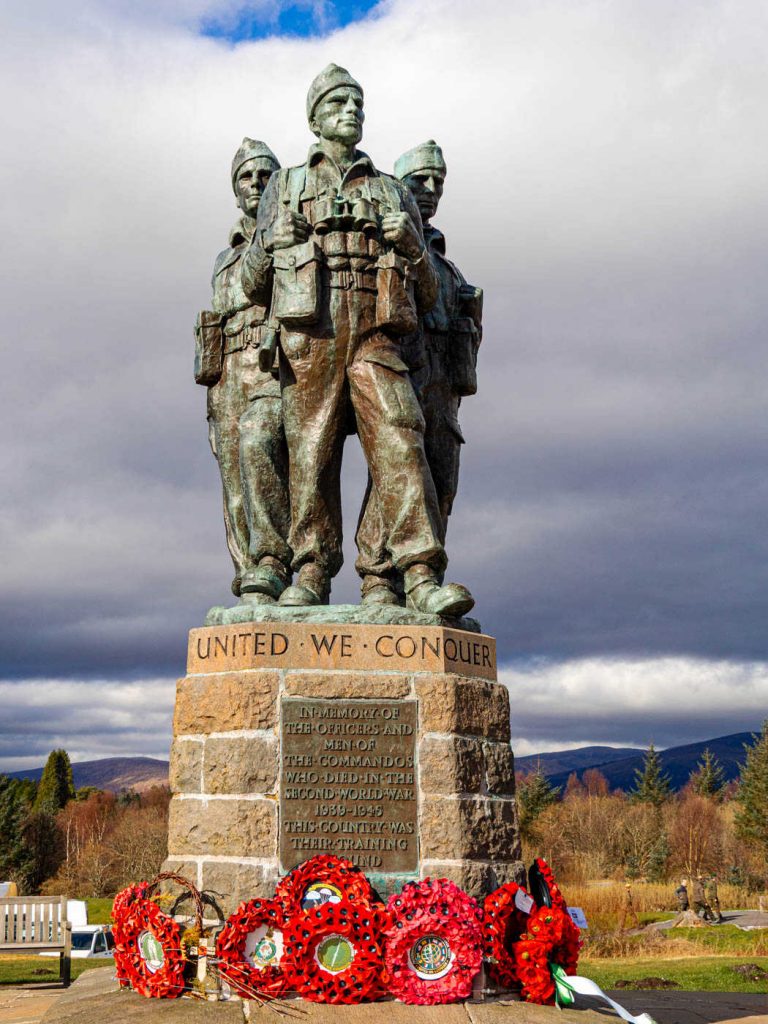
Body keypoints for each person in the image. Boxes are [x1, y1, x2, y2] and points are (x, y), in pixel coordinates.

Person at [241, 65, 474, 616]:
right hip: (312, 334)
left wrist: (412, 245)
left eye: (358, 103)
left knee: (401, 437)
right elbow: (252, 284)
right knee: (311, 454)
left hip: (376, 331)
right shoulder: (286, 186)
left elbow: (428, 292)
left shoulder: (392, 190)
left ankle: (414, 572)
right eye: (338, 102)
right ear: (314, 118)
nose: (351, 111)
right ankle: (311, 570)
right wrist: (269, 243)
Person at [355, 140, 482, 604]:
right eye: (419, 180)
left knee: (441, 481)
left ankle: (420, 587)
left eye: (437, 181)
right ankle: (380, 577)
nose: (429, 189)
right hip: (402, 366)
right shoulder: (381, 244)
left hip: (443, 384)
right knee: (397, 467)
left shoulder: (447, 265)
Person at [196, 139, 291, 600]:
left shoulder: (290, 234)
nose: (255, 183)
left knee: (261, 452)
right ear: (235, 191)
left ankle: (275, 562)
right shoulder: (224, 257)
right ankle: (249, 578)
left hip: (272, 364)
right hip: (227, 372)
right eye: (246, 177)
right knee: (233, 484)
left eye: (264, 175)